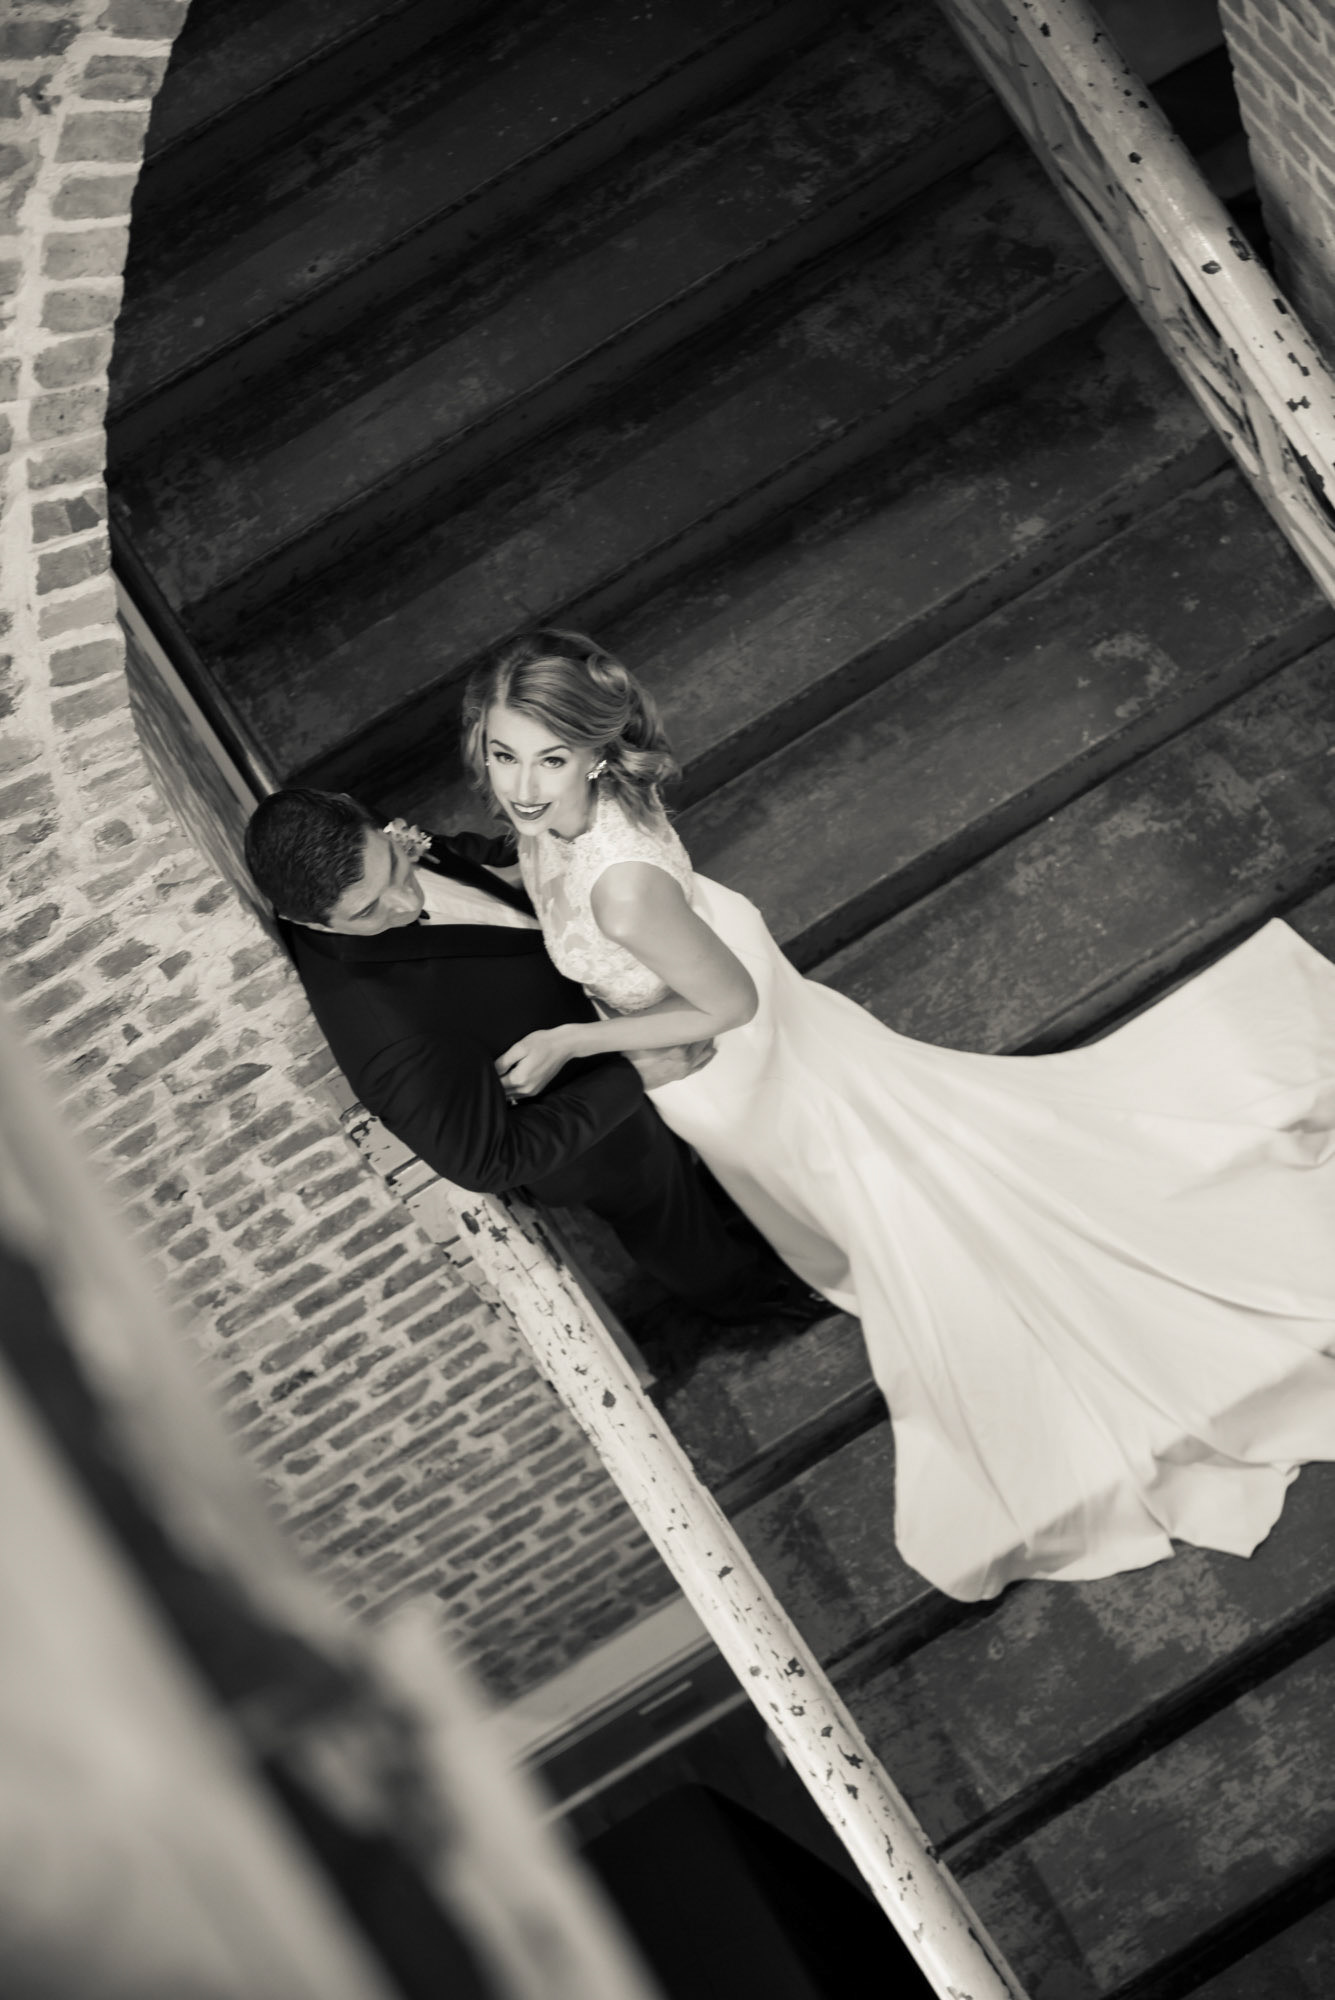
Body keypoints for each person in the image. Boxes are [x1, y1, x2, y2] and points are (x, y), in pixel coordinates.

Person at [460, 628, 1335, 1601]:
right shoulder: (581, 816)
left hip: (730, 1054)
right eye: (504, 754)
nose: (525, 787)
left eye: (550, 758)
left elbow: (728, 1005)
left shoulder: (622, 896)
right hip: (737, 1016)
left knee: (846, 1181)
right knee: (851, 1167)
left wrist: (575, 1041)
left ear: (595, 752)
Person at [242, 789, 828, 1329]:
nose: (403, 899)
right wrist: (632, 1075)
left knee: (706, 1157)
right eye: (368, 912)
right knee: (668, 1215)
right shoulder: (387, 1033)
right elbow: (487, 1162)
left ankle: (755, 1214)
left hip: (610, 1028)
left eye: (396, 867)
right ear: (309, 921)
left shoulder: (384, 855)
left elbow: (475, 885)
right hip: (592, 1136)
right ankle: (747, 1300)